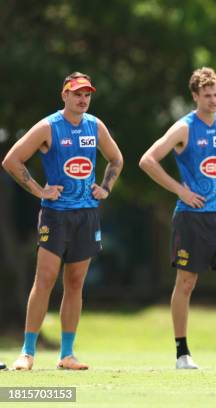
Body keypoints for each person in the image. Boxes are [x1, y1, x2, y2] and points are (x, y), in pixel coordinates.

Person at [2, 72, 123, 370]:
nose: (83, 99)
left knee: (75, 282)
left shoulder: (95, 126)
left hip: (87, 214)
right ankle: (27, 352)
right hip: (55, 215)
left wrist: (105, 188)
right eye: (77, 94)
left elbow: (116, 159)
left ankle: (67, 354)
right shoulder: (49, 126)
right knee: (44, 280)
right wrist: (39, 190)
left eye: (87, 94)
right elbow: (11, 160)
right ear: (64, 95)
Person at [139, 67, 216, 370]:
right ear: (195, 96)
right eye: (207, 95)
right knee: (187, 282)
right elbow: (148, 160)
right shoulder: (184, 127)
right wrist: (180, 190)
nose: (213, 100)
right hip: (191, 218)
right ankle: (182, 353)